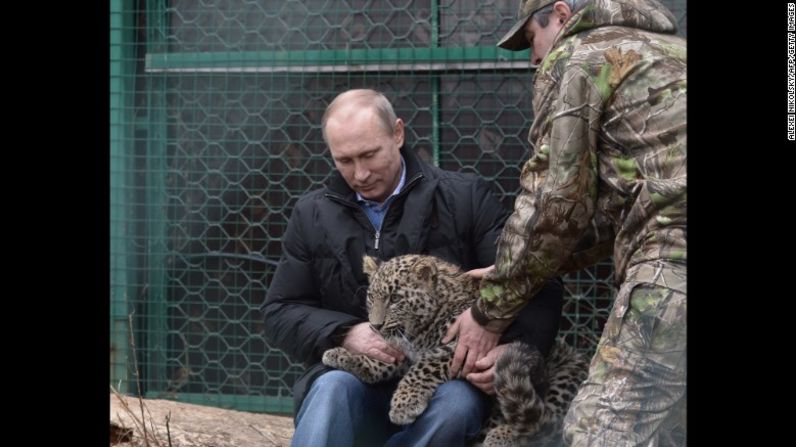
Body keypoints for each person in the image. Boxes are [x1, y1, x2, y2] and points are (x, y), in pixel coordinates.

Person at [262, 88, 565, 446]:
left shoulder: (463, 198)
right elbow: (279, 311)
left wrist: (512, 351)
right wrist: (345, 333)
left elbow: (535, 281)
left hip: (446, 380)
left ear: (398, 134)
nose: (359, 174)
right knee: (330, 390)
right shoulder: (311, 214)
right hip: (359, 376)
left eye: (369, 155)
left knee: (455, 406)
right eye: (344, 160)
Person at [442, 1, 687, 445]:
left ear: (560, 13)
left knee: (598, 432)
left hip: (674, 261)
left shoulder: (578, 56)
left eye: (532, 41)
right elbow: (616, 209)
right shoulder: (672, 51)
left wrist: (490, 311)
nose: (534, 59)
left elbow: (555, 204)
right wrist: (511, 273)